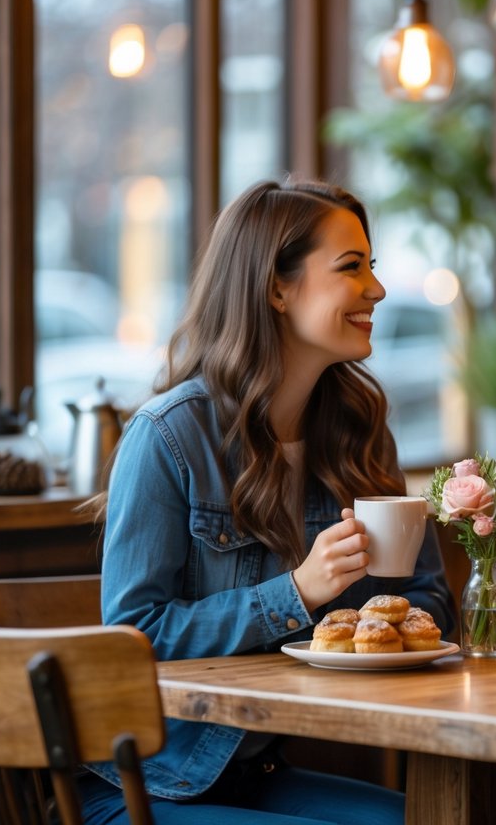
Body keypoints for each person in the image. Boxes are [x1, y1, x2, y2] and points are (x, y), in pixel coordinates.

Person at [80, 179, 456, 825]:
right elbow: (134, 635)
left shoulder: (359, 431)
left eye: (372, 267)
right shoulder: (169, 436)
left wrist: (391, 621)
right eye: (351, 268)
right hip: (144, 786)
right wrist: (299, 593)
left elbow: (429, 605)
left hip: (256, 771)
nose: (377, 289)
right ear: (277, 288)